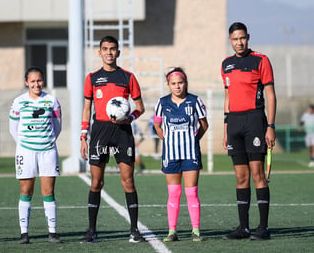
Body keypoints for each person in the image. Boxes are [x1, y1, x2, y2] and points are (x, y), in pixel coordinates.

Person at [80, 35, 146, 243]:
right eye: (105, 49)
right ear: (99, 53)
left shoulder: (128, 77)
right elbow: (87, 108)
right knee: (96, 182)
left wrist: (129, 118)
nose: (109, 52)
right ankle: (91, 231)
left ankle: (134, 230)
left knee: (128, 181)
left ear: (118, 52)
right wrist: (83, 135)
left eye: (113, 49)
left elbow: (140, 107)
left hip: (122, 132)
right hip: (99, 130)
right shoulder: (91, 78)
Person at [221, 22, 277, 240]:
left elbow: (270, 94)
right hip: (234, 123)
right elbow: (228, 96)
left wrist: (270, 126)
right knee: (240, 177)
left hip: (255, 120)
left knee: (257, 174)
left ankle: (262, 228)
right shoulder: (225, 64)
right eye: (235, 39)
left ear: (248, 37)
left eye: (242, 38)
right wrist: (226, 127)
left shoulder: (261, 61)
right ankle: (243, 228)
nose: (239, 42)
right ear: (230, 41)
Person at [153, 67, 208, 242]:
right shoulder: (162, 103)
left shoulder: (195, 101)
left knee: (191, 193)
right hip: (171, 155)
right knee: (174, 193)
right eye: (173, 83)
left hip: (191, 154)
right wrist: (167, 140)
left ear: (186, 83)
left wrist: (194, 140)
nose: (177, 86)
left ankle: (196, 230)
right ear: (168, 85)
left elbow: (204, 125)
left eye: (180, 83)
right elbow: (157, 125)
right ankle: (172, 231)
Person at [9, 67, 62, 244]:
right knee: (26, 191)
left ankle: (52, 232)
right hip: (26, 151)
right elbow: (13, 129)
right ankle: (24, 233)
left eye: (39, 80)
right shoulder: (18, 102)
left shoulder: (52, 101)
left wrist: (47, 142)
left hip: (48, 151)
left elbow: (57, 126)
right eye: (32, 81)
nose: (36, 84)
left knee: (48, 191)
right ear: (26, 83)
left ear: (43, 80)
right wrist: (25, 145)